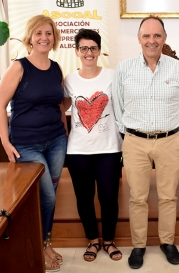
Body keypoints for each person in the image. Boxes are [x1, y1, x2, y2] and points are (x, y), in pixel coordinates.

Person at [112, 15, 179, 269]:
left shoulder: (178, 68)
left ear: (165, 38)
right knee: (138, 197)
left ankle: (167, 242)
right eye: (146, 35)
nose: (151, 40)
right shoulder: (124, 68)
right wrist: (131, 134)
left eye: (157, 35)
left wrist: (172, 130)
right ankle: (139, 245)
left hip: (169, 140)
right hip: (135, 141)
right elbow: (118, 107)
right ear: (138, 39)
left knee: (168, 197)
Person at [0, 15, 67, 272]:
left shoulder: (57, 68)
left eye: (48, 33)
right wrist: (6, 142)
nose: (44, 38)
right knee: (46, 195)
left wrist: (65, 133)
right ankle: (40, 244)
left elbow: (58, 103)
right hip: (27, 144)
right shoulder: (19, 67)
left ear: (54, 37)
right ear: (30, 37)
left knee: (51, 195)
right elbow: (0, 106)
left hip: (56, 140)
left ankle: (45, 240)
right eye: (38, 33)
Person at [62, 29, 123, 262]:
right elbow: (63, 107)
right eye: (84, 48)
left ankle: (108, 241)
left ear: (99, 51)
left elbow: (121, 107)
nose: (89, 52)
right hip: (78, 150)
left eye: (93, 48)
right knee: (84, 198)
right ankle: (92, 241)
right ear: (77, 51)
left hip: (108, 148)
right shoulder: (69, 79)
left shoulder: (113, 76)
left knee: (109, 197)